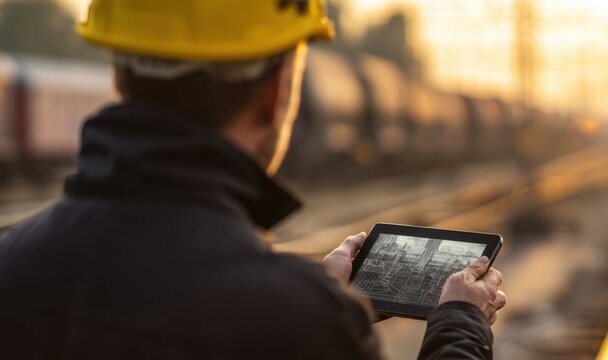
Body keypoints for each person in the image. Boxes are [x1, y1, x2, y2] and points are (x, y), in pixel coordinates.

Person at [0, 0, 507, 358]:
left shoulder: (12, 261)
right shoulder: (299, 324)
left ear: (118, 76)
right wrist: (459, 325)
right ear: (276, 91)